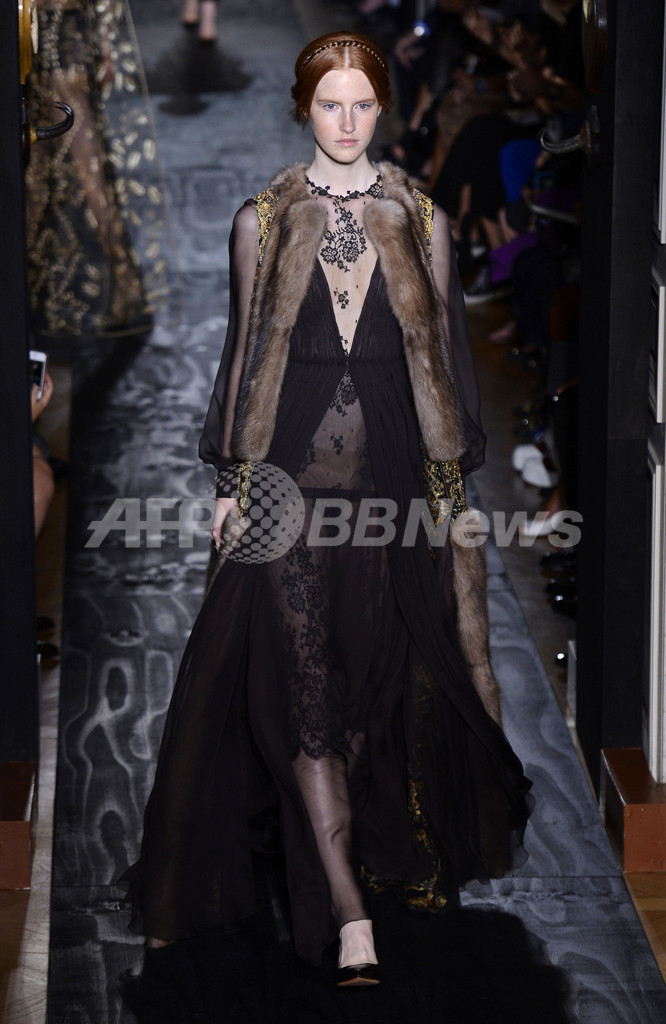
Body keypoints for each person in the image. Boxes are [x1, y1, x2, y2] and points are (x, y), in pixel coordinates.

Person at [129, 31, 533, 987]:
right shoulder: (261, 222)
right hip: (287, 489)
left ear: (382, 108)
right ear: (302, 107)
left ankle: (354, 862)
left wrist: (452, 504)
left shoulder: (424, 221)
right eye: (328, 104)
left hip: (393, 489)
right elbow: (241, 360)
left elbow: (447, 373)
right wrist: (231, 485)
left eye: (361, 104)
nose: (346, 122)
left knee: (370, 694)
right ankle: (349, 912)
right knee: (303, 693)